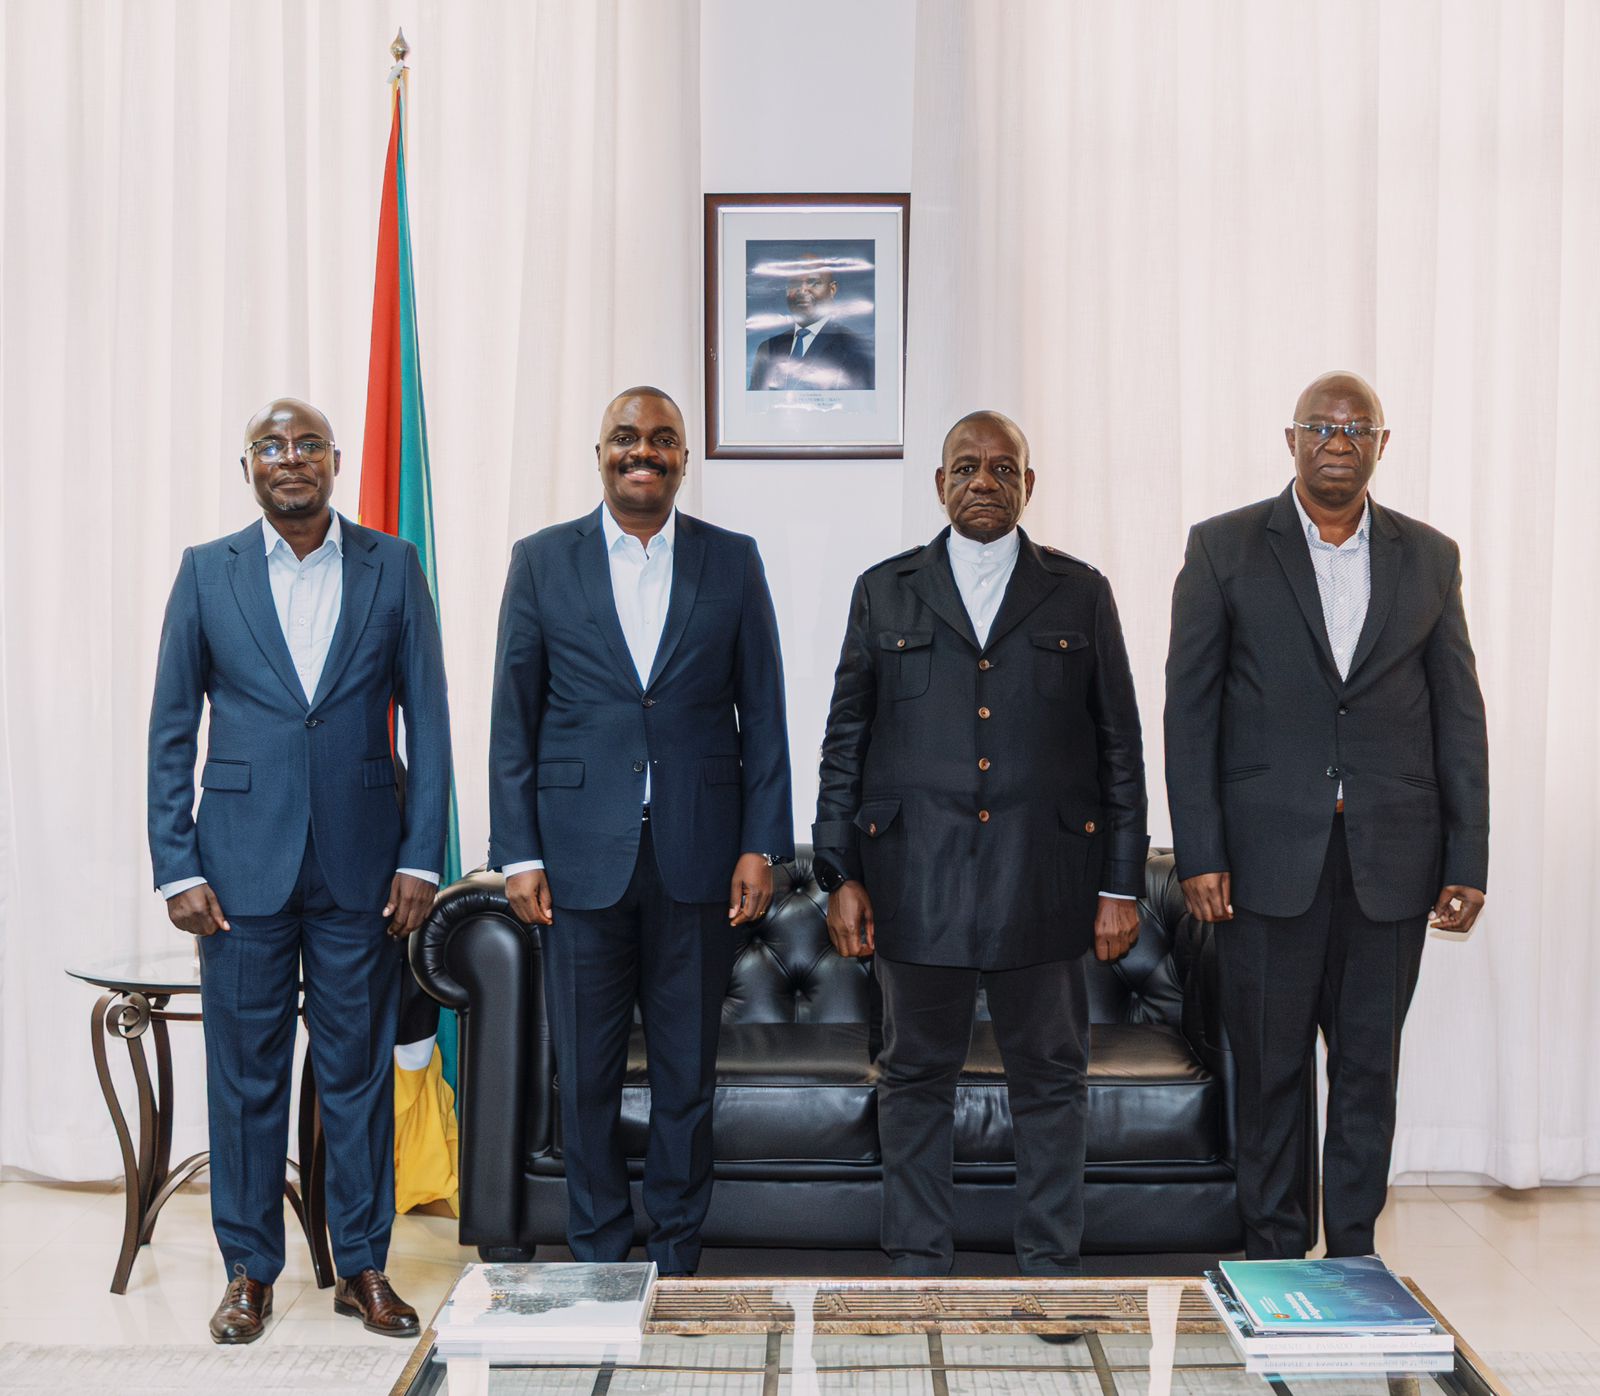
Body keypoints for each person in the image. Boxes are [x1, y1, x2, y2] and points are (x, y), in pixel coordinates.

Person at [812, 410, 1147, 1276]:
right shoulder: (885, 590)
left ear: (1028, 485)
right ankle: (917, 1267)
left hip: (1046, 879)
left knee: (1052, 1081)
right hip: (915, 879)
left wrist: (1121, 885)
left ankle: (1050, 1269)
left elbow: (1119, 744)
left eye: (1003, 468)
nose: (984, 482)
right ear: (940, 485)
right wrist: (838, 872)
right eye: (966, 467)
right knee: (914, 1079)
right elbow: (845, 741)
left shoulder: (1079, 591)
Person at [1164, 370, 1489, 1259]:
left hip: (1393, 861)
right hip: (1263, 862)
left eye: (1357, 428)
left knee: (1368, 1071)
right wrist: (1200, 850)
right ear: (1292, 440)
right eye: (1321, 426)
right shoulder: (1223, 548)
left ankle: (1353, 1255)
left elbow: (1459, 715)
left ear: (1382, 445)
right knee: (1270, 1070)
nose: (1338, 442)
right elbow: (1190, 712)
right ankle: (1274, 1255)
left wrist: (1467, 857)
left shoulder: (1431, 557)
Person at [148, 398, 450, 1343]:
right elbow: (171, 728)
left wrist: (422, 855)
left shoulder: (393, 565)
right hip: (239, 868)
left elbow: (430, 719)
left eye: (307, 444)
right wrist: (175, 866)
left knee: (356, 1075)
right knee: (246, 1078)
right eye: (271, 446)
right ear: (247, 467)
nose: (290, 459)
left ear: (334, 461)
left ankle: (363, 1266)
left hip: (365, 867)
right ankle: (248, 1271)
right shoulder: (207, 571)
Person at [489, 385, 793, 1275]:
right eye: (626, 437)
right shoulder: (541, 561)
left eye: (662, 439)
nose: (643, 451)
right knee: (584, 1077)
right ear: (600, 454)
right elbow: (514, 717)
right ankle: (596, 1257)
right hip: (578, 860)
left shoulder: (732, 560)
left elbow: (763, 712)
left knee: (685, 1077)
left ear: (683, 460)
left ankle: (676, 1256)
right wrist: (519, 852)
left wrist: (760, 843)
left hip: (699, 858)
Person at [748, 252, 874, 391]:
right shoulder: (768, 349)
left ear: (832, 290)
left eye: (813, 282)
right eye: (795, 283)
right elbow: (754, 402)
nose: (802, 290)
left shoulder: (854, 348)